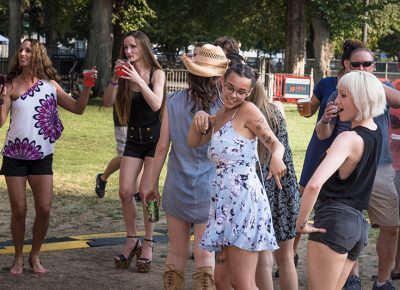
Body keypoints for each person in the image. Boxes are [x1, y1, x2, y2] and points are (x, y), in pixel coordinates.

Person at [188, 63, 286, 290]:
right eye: (229, 88)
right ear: (221, 82)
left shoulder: (248, 110)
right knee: (222, 280)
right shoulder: (221, 112)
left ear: (249, 92)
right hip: (222, 202)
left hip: (244, 202)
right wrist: (199, 117)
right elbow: (194, 142)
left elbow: (276, 145)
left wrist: (276, 158)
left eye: (241, 91)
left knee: (242, 282)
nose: (233, 95)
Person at [0, 39, 93, 275]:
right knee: (19, 210)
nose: (22, 53)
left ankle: (35, 255)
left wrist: (88, 87)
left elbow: (78, 108)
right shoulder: (10, 85)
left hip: (42, 156)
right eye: (20, 50)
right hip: (15, 155)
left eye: (28, 50)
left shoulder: (50, 85)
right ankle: (18, 257)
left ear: (37, 54)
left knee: (44, 208)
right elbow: (1, 122)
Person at [142, 43, 228, 290]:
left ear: (191, 72)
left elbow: (161, 147)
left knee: (176, 253)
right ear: (219, 76)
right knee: (205, 256)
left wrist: (150, 183)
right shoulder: (224, 108)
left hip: (176, 186)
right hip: (210, 190)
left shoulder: (173, 101)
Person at [316, 48, 400, 290]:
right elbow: (323, 135)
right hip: (346, 169)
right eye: (357, 64)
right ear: (346, 65)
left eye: (367, 64)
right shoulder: (338, 94)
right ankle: (351, 278)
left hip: (380, 167)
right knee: (349, 225)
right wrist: (325, 120)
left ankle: (382, 281)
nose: (362, 68)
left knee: (391, 226)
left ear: (374, 66)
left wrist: (371, 85)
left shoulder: (380, 91)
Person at [296, 70, 386, 290]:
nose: (336, 101)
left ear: (361, 97)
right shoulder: (375, 132)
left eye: (343, 95)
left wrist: (300, 223)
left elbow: (314, 184)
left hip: (334, 222)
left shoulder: (348, 138)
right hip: (357, 227)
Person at [109, 30, 166, 273]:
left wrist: (139, 80)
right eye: (125, 47)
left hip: (155, 140)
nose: (128, 51)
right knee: (125, 191)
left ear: (143, 47)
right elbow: (106, 101)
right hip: (133, 139)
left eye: (132, 46)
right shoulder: (123, 74)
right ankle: (132, 238)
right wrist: (114, 78)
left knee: (148, 194)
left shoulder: (157, 73)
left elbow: (156, 103)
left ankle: (149, 241)